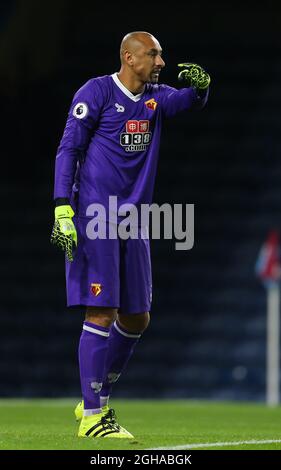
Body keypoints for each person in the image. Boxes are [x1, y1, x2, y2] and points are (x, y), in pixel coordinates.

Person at [51, 31, 210, 439]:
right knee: (101, 311)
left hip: (135, 221)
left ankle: (93, 393)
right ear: (129, 57)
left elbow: (184, 101)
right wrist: (61, 207)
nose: (160, 62)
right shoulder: (97, 92)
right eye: (153, 55)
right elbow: (69, 148)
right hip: (95, 215)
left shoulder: (155, 97)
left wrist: (201, 88)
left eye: (161, 55)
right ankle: (92, 415)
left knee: (137, 318)